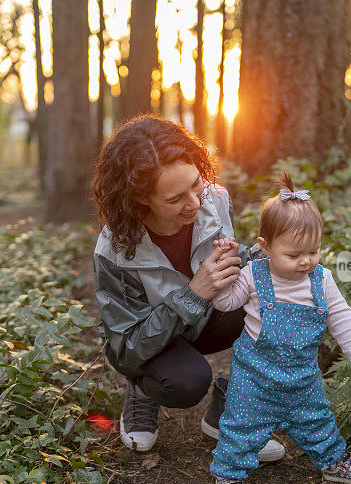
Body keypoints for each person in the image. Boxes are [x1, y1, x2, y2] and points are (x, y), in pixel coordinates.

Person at [89, 115, 284, 462]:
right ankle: (140, 390)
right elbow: (127, 345)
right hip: (147, 342)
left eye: (196, 183)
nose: (194, 203)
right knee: (187, 382)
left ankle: (231, 408)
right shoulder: (114, 250)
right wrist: (194, 293)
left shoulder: (214, 198)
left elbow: (232, 259)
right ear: (140, 199)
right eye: (175, 198)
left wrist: (271, 258)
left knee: (278, 296)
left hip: (206, 316)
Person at [207, 174, 351, 484]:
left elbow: (344, 322)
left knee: (318, 420)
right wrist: (222, 271)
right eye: (294, 254)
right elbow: (225, 304)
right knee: (241, 427)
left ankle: (334, 462)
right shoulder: (253, 275)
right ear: (264, 246)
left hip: (302, 376)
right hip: (255, 376)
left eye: (314, 251)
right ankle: (228, 477)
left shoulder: (322, 279)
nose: (305, 261)